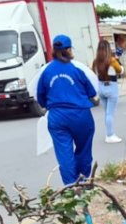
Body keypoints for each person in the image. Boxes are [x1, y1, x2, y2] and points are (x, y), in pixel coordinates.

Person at [37, 34, 100, 184]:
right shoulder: (77, 69)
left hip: (57, 117)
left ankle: (71, 189)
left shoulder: (46, 71)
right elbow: (91, 92)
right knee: (83, 150)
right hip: (80, 115)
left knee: (64, 154)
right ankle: (83, 182)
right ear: (69, 49)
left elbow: (40, 97)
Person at [91, 40, 123, 144]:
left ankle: (108, 133)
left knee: (107, 113)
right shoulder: (112, 61)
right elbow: (120, 70)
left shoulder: (95, 61)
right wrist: (118, 62)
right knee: (110, 114)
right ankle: (110, 135)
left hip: (101, 88)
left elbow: (93, 73)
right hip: (111, 87)